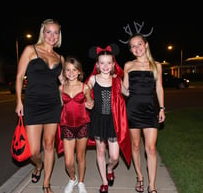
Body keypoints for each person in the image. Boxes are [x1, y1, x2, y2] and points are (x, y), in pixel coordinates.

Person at [15, 18, 64, 193]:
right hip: (33, 104)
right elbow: (20, 76)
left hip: (52, 104)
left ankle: (47, 183)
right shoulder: (31, 50)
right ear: (43, 32)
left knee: (49, 144)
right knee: (34, 151)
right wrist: (19, 101)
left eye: (56, 32)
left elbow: (63, 82)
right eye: (48, 31)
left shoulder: (60, 57)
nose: (52, 35)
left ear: (59, 35)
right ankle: (38, 165)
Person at [123, 33, 165, 193]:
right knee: (135, 145)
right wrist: (117, 83)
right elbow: (125, 91)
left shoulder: (156, 65)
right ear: (131, 50)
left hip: (149, 110)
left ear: (146, 45)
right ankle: (140, 176)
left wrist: (162, 108)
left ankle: (152, 185)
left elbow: (159, 88)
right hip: (132, 109)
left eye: (139, 44)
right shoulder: (128, 65)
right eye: (133, 46)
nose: (137, 48)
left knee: (151, 148)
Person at [85, 45, 131, 193]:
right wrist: (87, 97)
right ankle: (104, 182)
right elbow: (86, 87)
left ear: (113, 64)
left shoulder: (116, 80)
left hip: (113, 121)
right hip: (98, 119)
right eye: (102, 63)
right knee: (100, 151)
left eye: (108, 63)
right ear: (97, 65)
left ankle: (109, 168)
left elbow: (127, 93)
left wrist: (127, 76)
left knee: (114, 156)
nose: (105, 66)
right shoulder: (93, 78)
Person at [55, 57, 94, 193]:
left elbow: (90, 102)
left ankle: (81, 182)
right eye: (68, 70)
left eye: (74, 70)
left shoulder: (85, 87)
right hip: (67, 126)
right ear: (64, 72)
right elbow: (61, 104)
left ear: (79, 72)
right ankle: (73, 178)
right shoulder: (61, 88)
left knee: (80, 156)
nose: (71, 73)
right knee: (68, 162)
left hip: (82, 124)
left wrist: (90, 104)